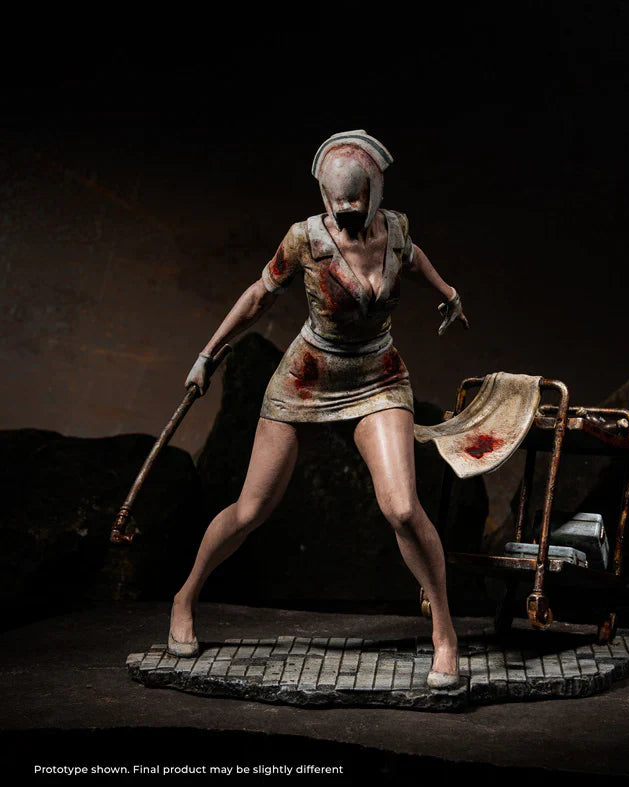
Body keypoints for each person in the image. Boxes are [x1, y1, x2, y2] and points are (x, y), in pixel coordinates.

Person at [168, 130, 468, 689]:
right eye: (337, 204)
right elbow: (259, 296)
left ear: (374, 192)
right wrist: (208, 355)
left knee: (403, 509)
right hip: (307, 378)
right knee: (250, 510)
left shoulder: (396, 228)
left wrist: (447, 292)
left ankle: (445, 634)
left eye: (356, 203)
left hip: (378, 376)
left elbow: (413, 257)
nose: (346, 214)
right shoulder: (304, 239)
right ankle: (185, 597)